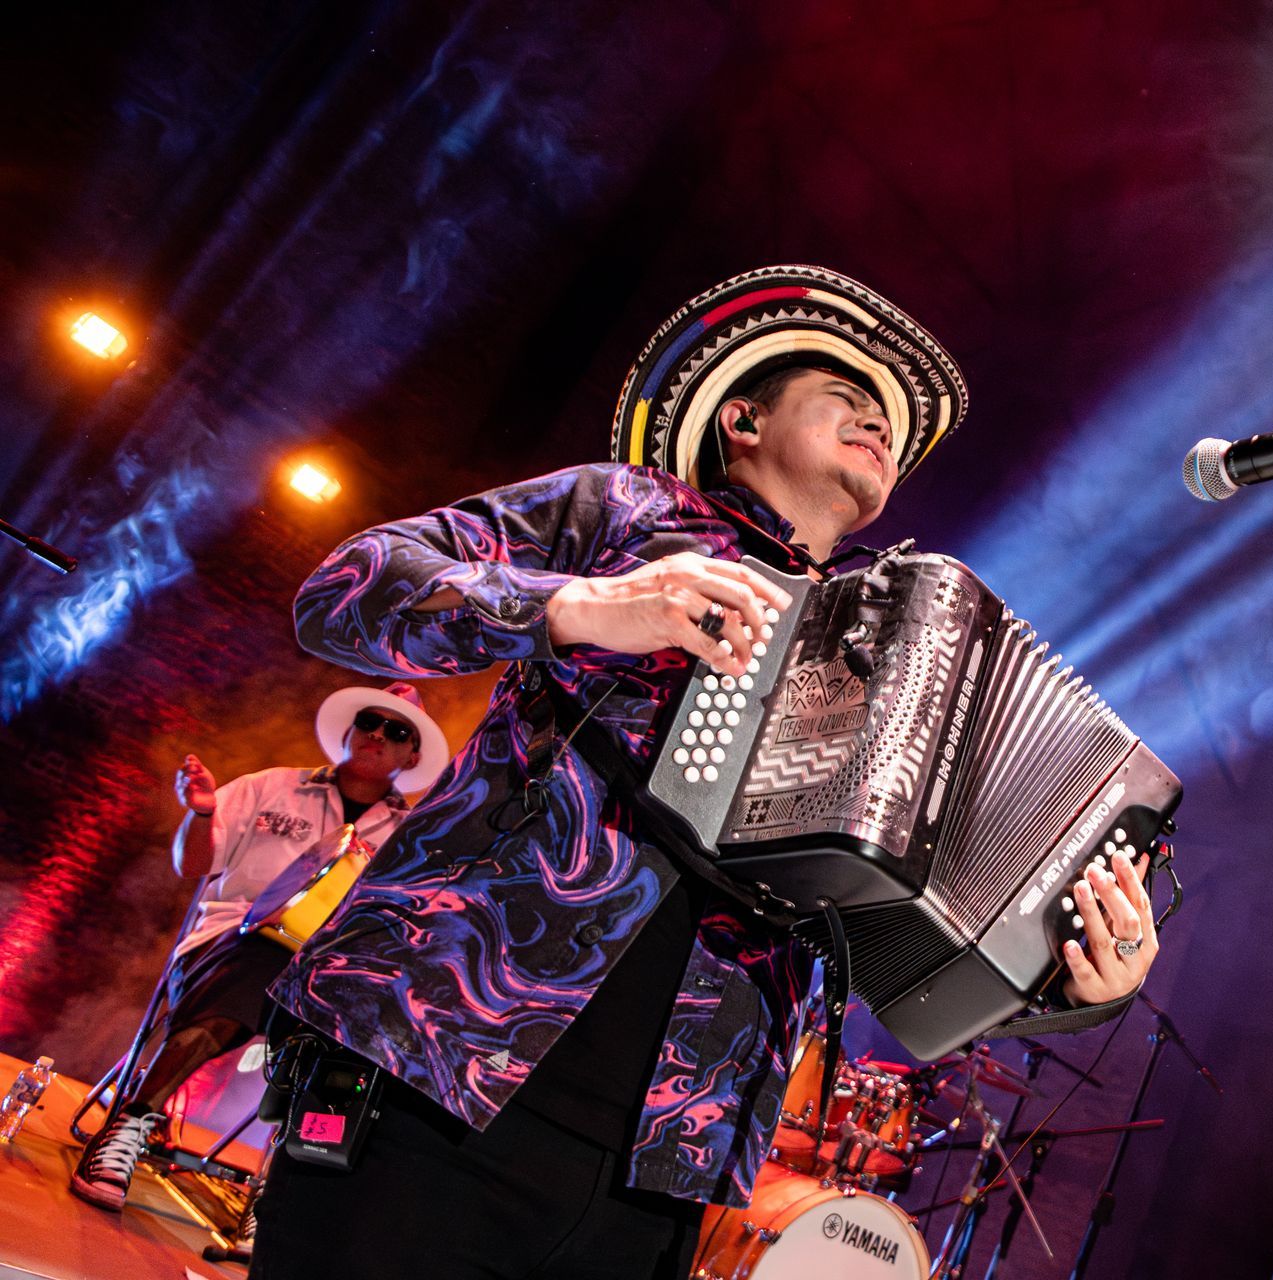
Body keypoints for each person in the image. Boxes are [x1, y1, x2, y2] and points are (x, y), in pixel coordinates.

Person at [252, 265, 1161, 1280]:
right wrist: (577, 606)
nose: (880, 426)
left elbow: (894, 941)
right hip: (441, 1061)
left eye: (891, 427)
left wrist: (1066, 978)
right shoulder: (631, 510)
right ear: (742, 419)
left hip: (669, 1161)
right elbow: (345, 591)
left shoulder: (901, 660)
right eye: (848, 398)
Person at [70, 681, 446, 1218]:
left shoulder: (412, 838)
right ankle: (130, 1124)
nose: (378, 735)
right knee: (260, 967)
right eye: (370, 721)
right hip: (232, 948)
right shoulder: (273, 786)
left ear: (411, 756)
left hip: (326, 978)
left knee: (367, 1028)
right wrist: (203, 813)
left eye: (397, 731)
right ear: (349, 730)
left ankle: (277, 1196)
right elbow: (195, 866)